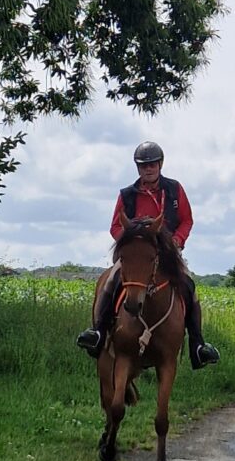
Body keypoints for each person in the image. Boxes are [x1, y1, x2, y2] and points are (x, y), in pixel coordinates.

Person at [75, 140, 220, 369]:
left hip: (167, 254)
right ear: (138, 168)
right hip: (136, 257)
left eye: (152, 164)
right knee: (111, 281)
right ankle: (98, 332)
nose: (148, 169)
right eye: (143, 165)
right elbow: (115, 226)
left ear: (160, 165)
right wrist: (131, 244)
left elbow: (186, 220)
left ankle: (198, 346)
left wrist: (177, 241)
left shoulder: (174, 189)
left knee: (188, 285)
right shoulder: (127, 195)